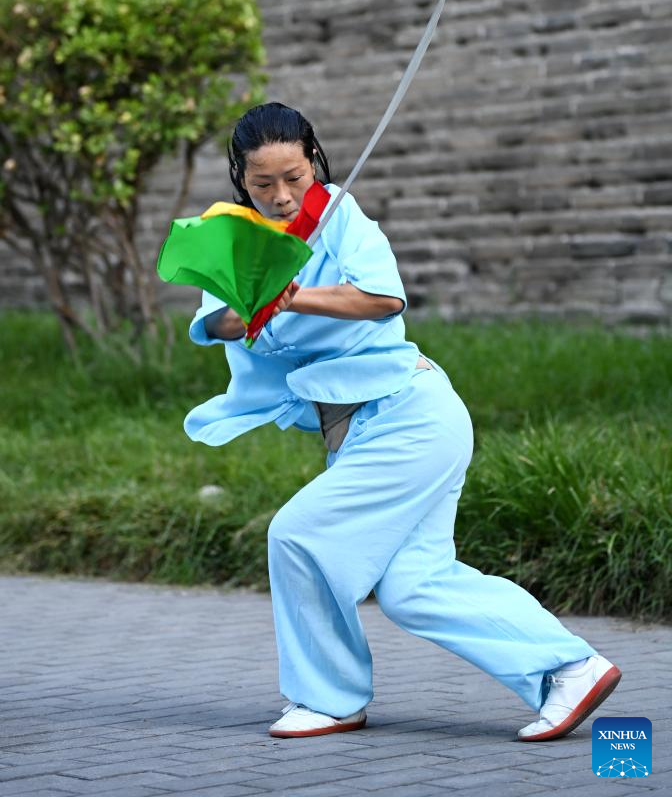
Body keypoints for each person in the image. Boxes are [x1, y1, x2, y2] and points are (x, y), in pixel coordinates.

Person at [185, 101, 622, 741]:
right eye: (262, 183)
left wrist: (296, 295)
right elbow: (216, 320)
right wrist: (254, 294)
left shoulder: (342, 215)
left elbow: (384, 296)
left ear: (313, 163)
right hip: (354, 430)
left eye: (293, 178)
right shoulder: (233, 235)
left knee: (297, 535)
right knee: (414, 588)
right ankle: (569, 669)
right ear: (240, 177)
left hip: (410, 415)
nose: (281, 196)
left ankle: (328, 697)